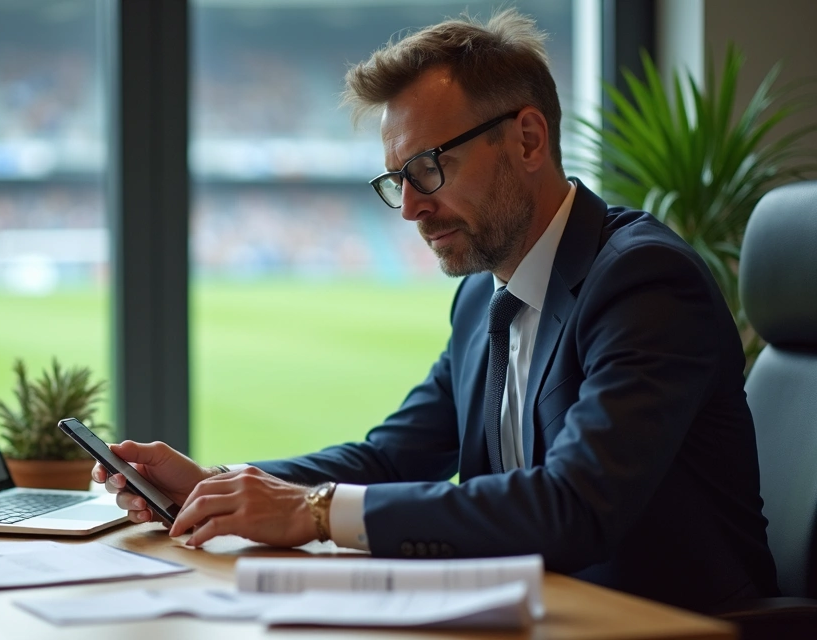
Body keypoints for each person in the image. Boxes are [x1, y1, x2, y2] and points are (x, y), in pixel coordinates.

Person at [92, 9, 778, 612]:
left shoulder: (643, 282)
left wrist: (314, 513)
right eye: (399, 181)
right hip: (528, 616)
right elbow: (392, 458)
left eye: (427, 168)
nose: (413, 208)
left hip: (658, 625)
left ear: (529, 140)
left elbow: (573, 506)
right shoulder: (482, 295)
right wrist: (220, 486)